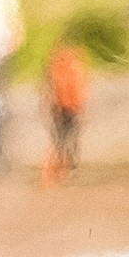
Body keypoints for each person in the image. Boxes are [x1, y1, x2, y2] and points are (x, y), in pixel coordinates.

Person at [46, 37, 89, 176]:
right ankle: (67, 162)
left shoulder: (56, 68)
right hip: (68, 108)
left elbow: (52, 90)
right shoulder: (75, 68)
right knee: (69, 137)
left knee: (62, 137)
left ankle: (64, 162)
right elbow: (79, 89)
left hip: (62, 108)